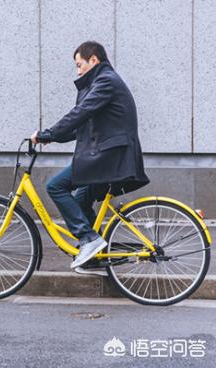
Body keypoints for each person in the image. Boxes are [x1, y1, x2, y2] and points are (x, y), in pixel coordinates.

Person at [31, 41, 149, 275]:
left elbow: (81, 113)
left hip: (109, 157)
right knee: (81, 202)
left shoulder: (105, 81)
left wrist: (49, 133)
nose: (78, 71)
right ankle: (93, 256)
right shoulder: (105, 81)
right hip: (110, 156)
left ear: (93, 60)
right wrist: (50, 138)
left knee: (56, 186)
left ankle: (88, 238)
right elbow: (83, 127)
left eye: (79, 65)